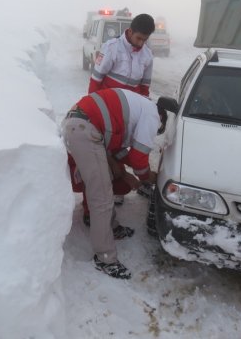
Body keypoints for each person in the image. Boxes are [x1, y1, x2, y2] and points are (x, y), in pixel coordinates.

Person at [62, 88, 167, 279]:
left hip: (80, 125)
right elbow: (137, 156)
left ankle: (110, 225)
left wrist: (129, 174)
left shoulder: (136, 108)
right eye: (157, 131)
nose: (154, 133)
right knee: (101, 195)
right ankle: (104, 259)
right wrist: (146, 177)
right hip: (84, 129)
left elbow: (118, 151)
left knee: (105, 182)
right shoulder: (152, 114)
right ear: (161, 118)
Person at [86, 13, 156, 211]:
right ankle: (116, 187)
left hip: (130, 112)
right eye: (139, 38)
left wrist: (143, 112)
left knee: (133, 145)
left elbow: (144, 88)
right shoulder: (111, 48)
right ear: (130, 31)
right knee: (110, 148)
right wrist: (93, 111)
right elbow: (95, 81)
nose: (141, 43)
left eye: (145, 39)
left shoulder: (147, 56)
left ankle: (139, 180)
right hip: (108, 110)